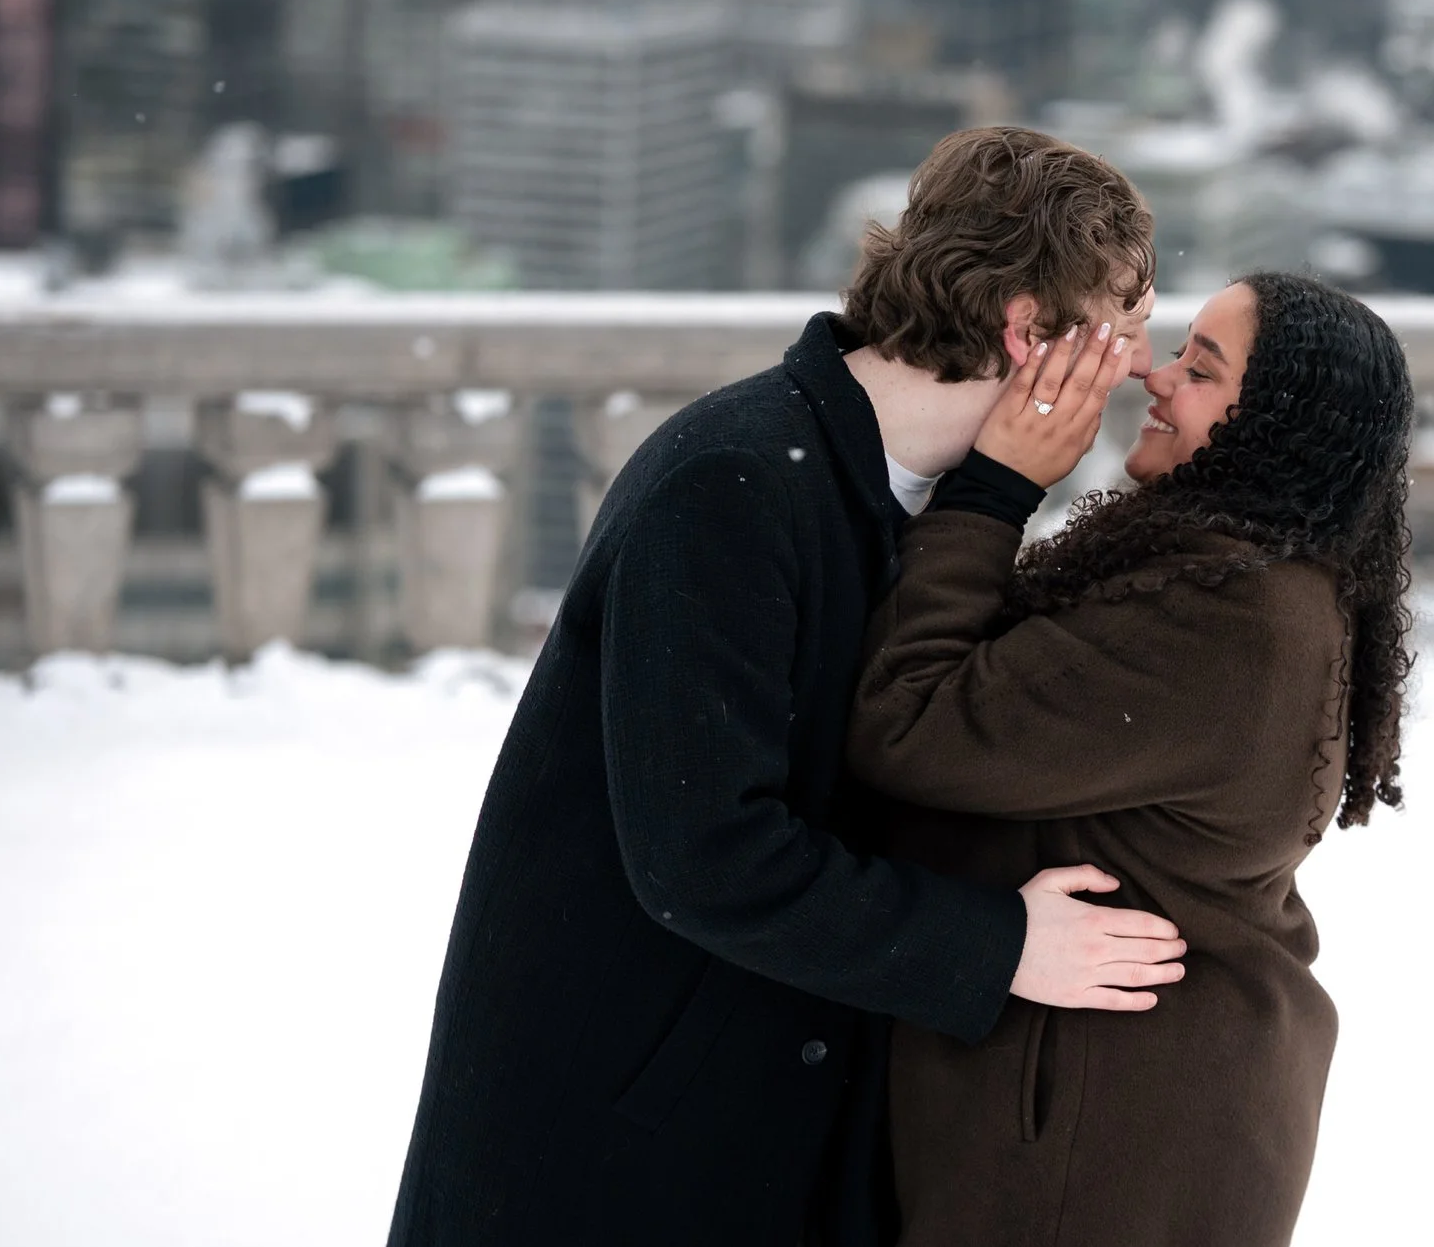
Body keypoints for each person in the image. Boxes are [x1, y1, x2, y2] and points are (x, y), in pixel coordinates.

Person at [389, 127, 1190, 1246]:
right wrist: (997, 948)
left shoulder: (934, 492)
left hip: (759, 1128)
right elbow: (703, 855)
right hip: (616, 1154)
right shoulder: (731, 481)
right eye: (1134, 326)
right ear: (1029, 335)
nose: (1148, 368)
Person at [848, 271, 1417, 1247]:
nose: (1153, 377)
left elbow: (912, 722)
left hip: (1095, 1141)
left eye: (1201, 367)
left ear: (1272, 421)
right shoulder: (1244, 583)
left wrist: (993, 491)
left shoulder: (1223, 620)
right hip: (1147, 1108)